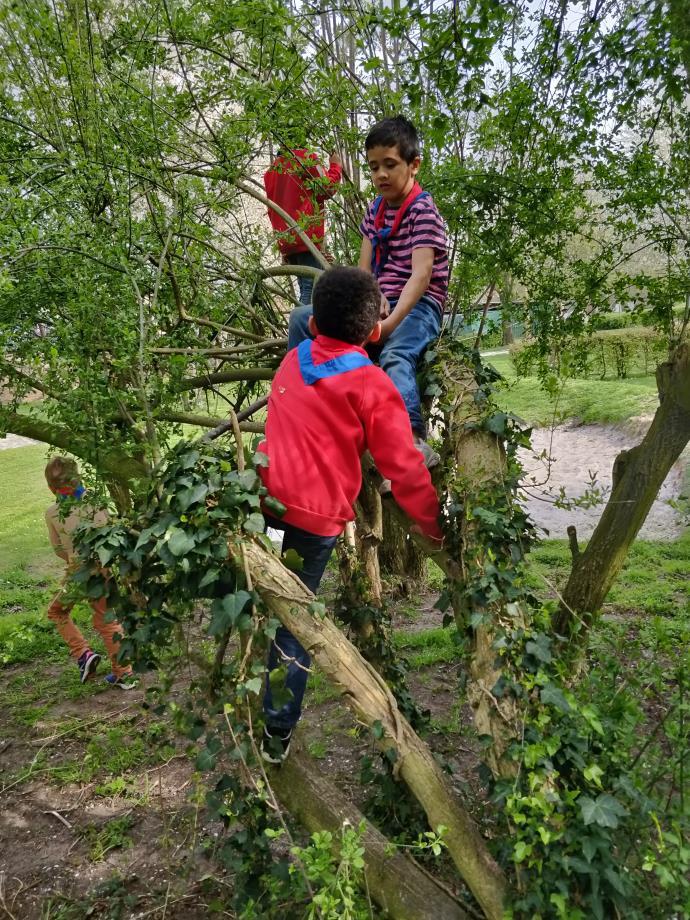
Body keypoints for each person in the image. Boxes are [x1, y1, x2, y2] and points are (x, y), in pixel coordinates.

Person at [257, 266, 443, 764]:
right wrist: (433, 527)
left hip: (270, 493)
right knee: (295, 619)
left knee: (284, 589)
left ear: (314, 326)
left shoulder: (294, 359)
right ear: (374, 331)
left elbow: (310, 328)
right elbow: (403, 470)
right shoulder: (372, 385)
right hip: (314, 516)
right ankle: (276, 729)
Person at [288, 116, 449, 468]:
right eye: (374, 167)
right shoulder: (375, 210)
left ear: (414, 165)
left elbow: (421, 277)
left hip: (417, 306)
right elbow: (364, 272)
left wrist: (387, 326)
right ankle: (309, 408)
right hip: (379, 302)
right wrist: (369, 304)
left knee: (394, 355)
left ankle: (411, 442)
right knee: (304, 318)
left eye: (390, 165)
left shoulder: (423, 211)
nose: (380, 175)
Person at [44, 457, 135, 690]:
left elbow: (58, 549)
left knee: (56, 611)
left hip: (78, 572)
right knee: (107, 619)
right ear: (79, 478)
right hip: (102, 568)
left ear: (50, 487)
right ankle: (124, 672)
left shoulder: (53, 512)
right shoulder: (96, 502)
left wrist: (74, 562)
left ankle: (83, 654)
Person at [263, 144, 342, 305]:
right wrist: (336, 165)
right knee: (312, 288)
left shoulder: (272, 170)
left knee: (307, 286)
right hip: (306, 236)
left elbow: (272, 210)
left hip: (287, 239)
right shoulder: (304, 158)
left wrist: (282, 246)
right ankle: (303, 328)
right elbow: (326, 187)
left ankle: (305, 326)